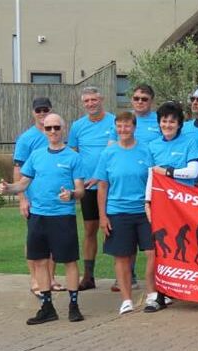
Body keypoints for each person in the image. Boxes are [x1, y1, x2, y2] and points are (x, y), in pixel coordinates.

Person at [0, 114, 86, 324]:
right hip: (38, 216)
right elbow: (23, 184)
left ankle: (74, 305)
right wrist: (8, 188)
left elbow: (81, 190)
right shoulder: (36, 156)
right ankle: (47, 307)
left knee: (70, 261)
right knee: (39, 261)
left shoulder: (73, 157)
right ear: (44, 130)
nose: (53, 132)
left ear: (63, 129)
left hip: (62, 217)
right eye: (49, 128)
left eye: (57, 128)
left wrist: (72, 195)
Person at [93, 112, 156, 315]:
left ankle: (152, 294)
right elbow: (102, 187)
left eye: (127, 126)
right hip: (117, 212)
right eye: (119, 126)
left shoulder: (146, 151)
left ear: (134, 127)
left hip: (143, 212)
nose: (123, 130)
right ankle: (127, 299)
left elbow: (154, 182)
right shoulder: (108, 154)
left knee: (153, 253)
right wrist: (103, 217)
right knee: (122, 257)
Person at [144, 101, 198, 312]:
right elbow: (151, 176)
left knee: (190, 246)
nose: (168, 124)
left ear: (179, 124)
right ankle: (161, 293)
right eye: (164, 121)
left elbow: (193, 171)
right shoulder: (153, 145)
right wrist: (147, 202)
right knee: (163, 249)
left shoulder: (189, 142)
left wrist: (169, 172)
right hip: (161, 206)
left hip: (185, 206)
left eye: (172, 121)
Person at [68, 86, 116, 291]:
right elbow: (72, 154)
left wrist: (101, 175)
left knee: (115, 230)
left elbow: (117, 151)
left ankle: (124, 275)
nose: (90, 104)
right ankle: (88, 276)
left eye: (93, 100)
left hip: (110, 185)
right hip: (87, 186)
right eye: (86, 101)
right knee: (90, 230)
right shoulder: (77, 126)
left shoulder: (114, 122)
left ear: (101, 99)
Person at [13, 97, 61, 295]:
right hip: (34, 199)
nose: (42, 113)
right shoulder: (27, 138)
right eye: (38, 110)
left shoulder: (55, 134)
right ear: (33, 112)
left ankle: (50, 278)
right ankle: (35, 279)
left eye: (45, 109)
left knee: (54, 241)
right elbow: (18, 169)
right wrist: (22, 198)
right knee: (34, 240)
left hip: (54, 200)